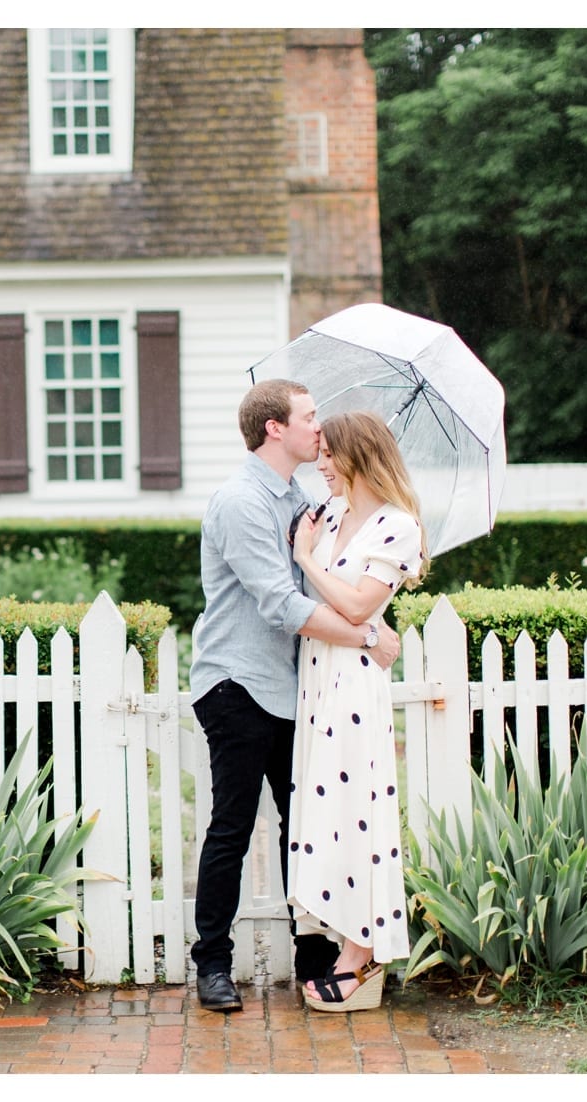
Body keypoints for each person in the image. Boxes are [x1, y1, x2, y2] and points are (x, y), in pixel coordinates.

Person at [189, 380, 401, 1013]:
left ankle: (313, 959)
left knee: (301, 828)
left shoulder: (306, 497)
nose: (321, 430)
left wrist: (374, 617)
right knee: (231, 825)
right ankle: (213, 966)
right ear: (274, 428)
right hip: (236, 682)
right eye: (310, 419)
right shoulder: (240, 501)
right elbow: (282, 606)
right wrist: (368, 636)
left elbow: (346, 575)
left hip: (295, 691)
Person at [286, 409, 428, 1013]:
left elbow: (356, 604)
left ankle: (360, 953)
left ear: (356, 457)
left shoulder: (399, 527)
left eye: (328, 455)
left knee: (355, 810)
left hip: (353, 686)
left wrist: (307, 559)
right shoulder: (335, 514)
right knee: (324, 809)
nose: (320, 466)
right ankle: (346, 943)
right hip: (317, 679)